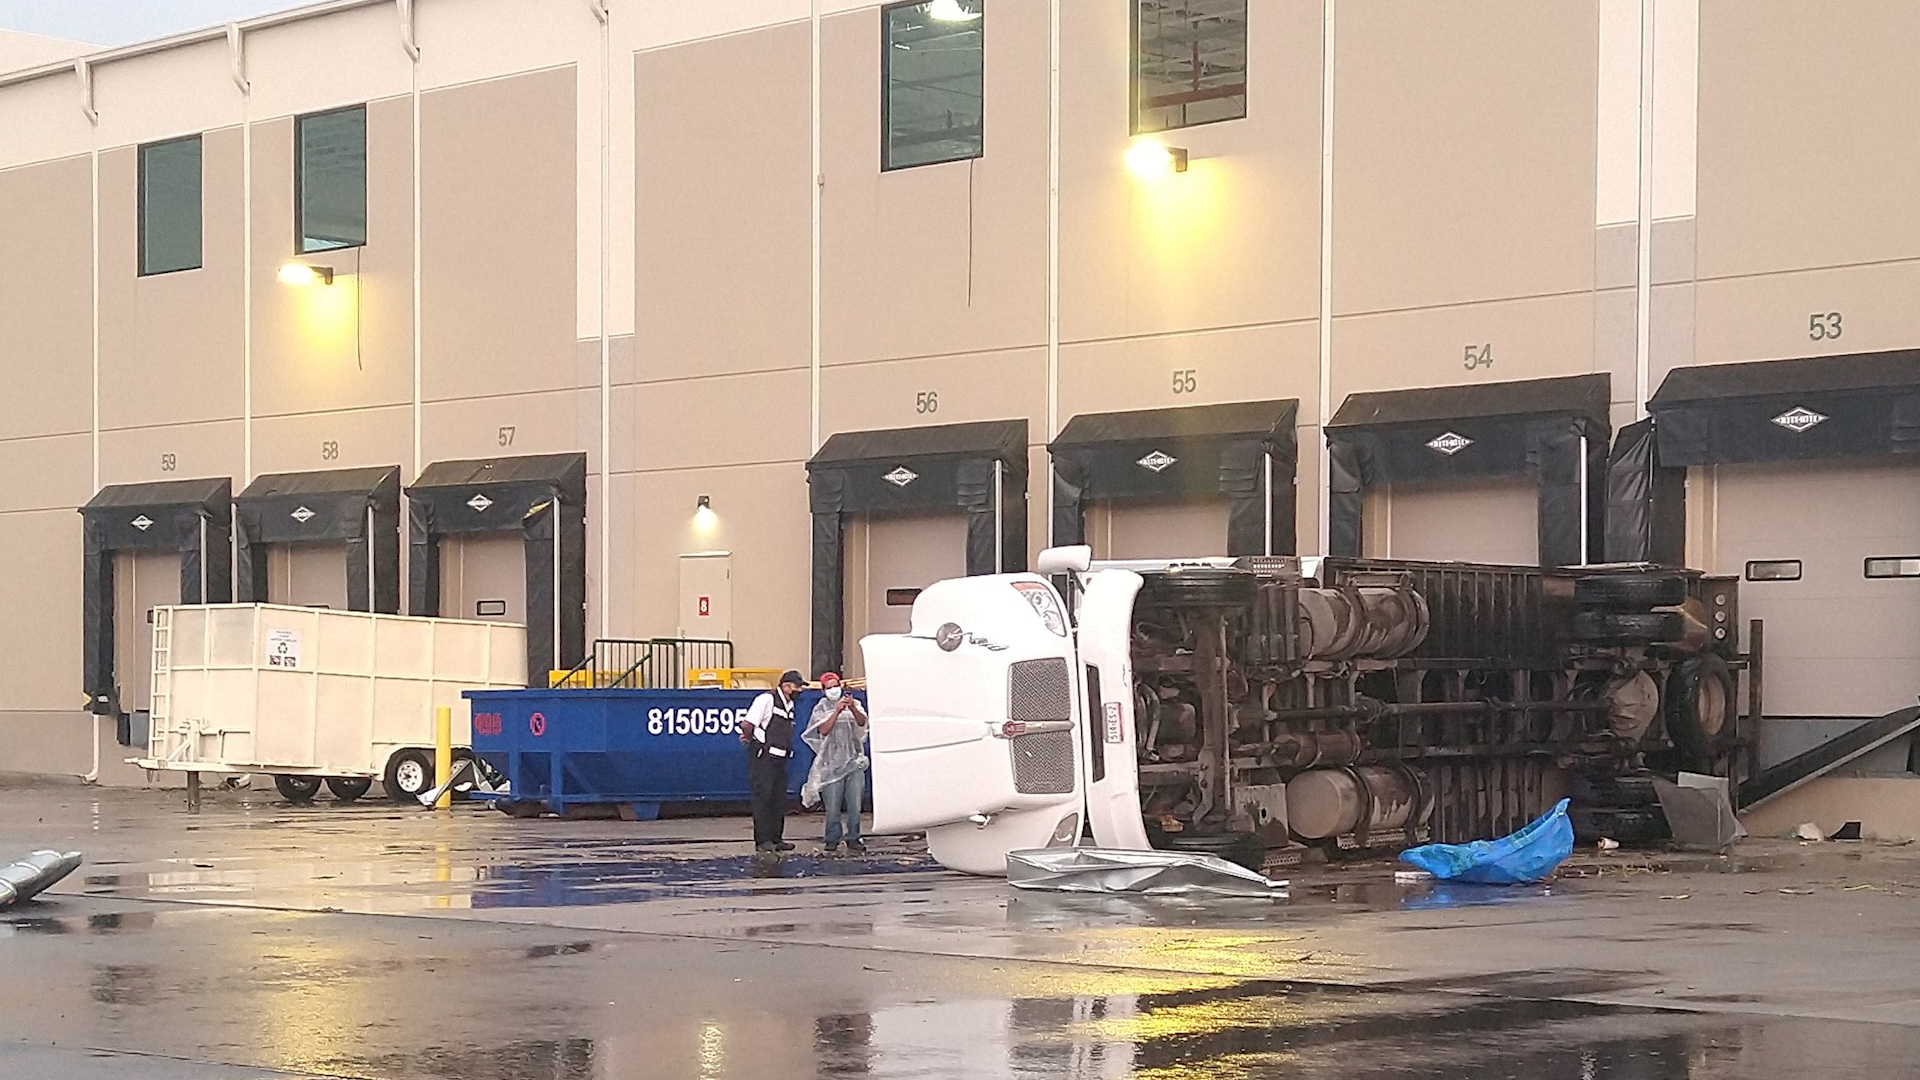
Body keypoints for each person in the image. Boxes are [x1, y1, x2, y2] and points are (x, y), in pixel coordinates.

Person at [739, 669, 805, 853]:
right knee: (763, 798)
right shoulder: (766, 699)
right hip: (763, 757)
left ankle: (776, 838)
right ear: (785, 686)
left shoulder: (789, 705)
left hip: (780, 758)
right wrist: (749, 738)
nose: (799, 690)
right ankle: (763, 840)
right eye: (797, 686)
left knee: (778, 799)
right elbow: (747, 723)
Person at [802, 671, 868, 854]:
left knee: (855, 803)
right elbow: (822, 730)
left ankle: (853, 837)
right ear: (823, 691)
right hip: (831, 764)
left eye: (836, 685)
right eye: (829, 687)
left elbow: (862, 723)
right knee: (833, 806)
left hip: (854, 761)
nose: (834, 690)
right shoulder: (821, 708)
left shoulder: (855, 704)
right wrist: (837, 711)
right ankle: (832, 838)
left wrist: (852, 708)